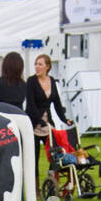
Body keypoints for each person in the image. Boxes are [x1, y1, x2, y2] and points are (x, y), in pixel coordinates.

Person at [25, 53, 74, 188]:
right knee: (34, 157)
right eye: (36, 64)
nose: (37, 67)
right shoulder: (31, 81)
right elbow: (30, 105)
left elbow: (56, 103)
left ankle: (52, 183)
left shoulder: (51, 81)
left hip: (48, 124)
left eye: (40, 64)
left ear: (47, 66)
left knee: (54, 154)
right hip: (34, 123)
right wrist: (39, 120)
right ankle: (35, 189)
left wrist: (65, 119)